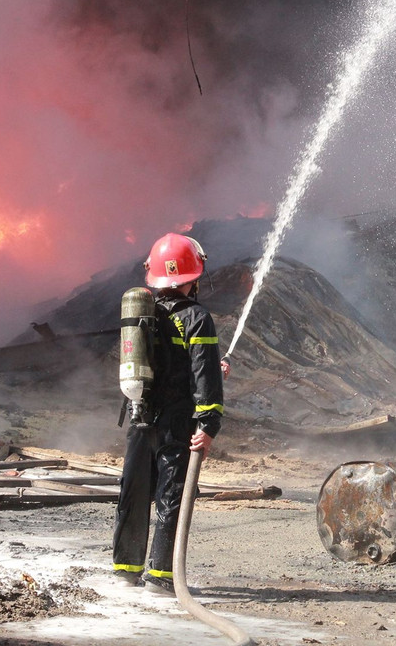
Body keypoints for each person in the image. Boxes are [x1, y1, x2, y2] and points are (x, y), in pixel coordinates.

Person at [112, 232, 227, 593]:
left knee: (133, 489)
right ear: (193, 277)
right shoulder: (196, 318)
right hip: (177, 422)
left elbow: (157, 364)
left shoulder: (145, 314)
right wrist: (208, 425)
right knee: (170, 493)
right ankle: (161, 576)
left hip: (139, 415)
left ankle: (126, 568)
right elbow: (205, 376)